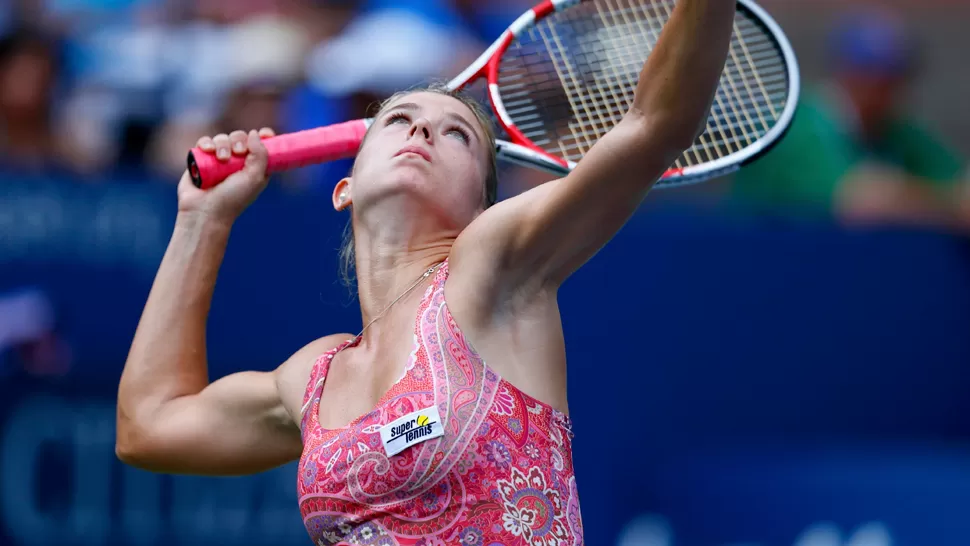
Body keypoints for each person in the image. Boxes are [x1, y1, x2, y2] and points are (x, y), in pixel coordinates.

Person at [115, 1, 736, 543]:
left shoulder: (490, 271)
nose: (422, 129)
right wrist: (203, 220)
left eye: (458, 135)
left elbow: (656, 123)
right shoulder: (314, 377)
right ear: (345, 187)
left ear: (481, 208)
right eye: (398, 120)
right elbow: (149, 427)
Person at [730, 8, 968, 232]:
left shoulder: (898, 130)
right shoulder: (797, 127)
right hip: (763, 260)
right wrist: (948, 205)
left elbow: (961, 187)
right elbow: (862, 201)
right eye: (878, 76)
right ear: (848, 73)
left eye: (897, 77)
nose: (890, 89)